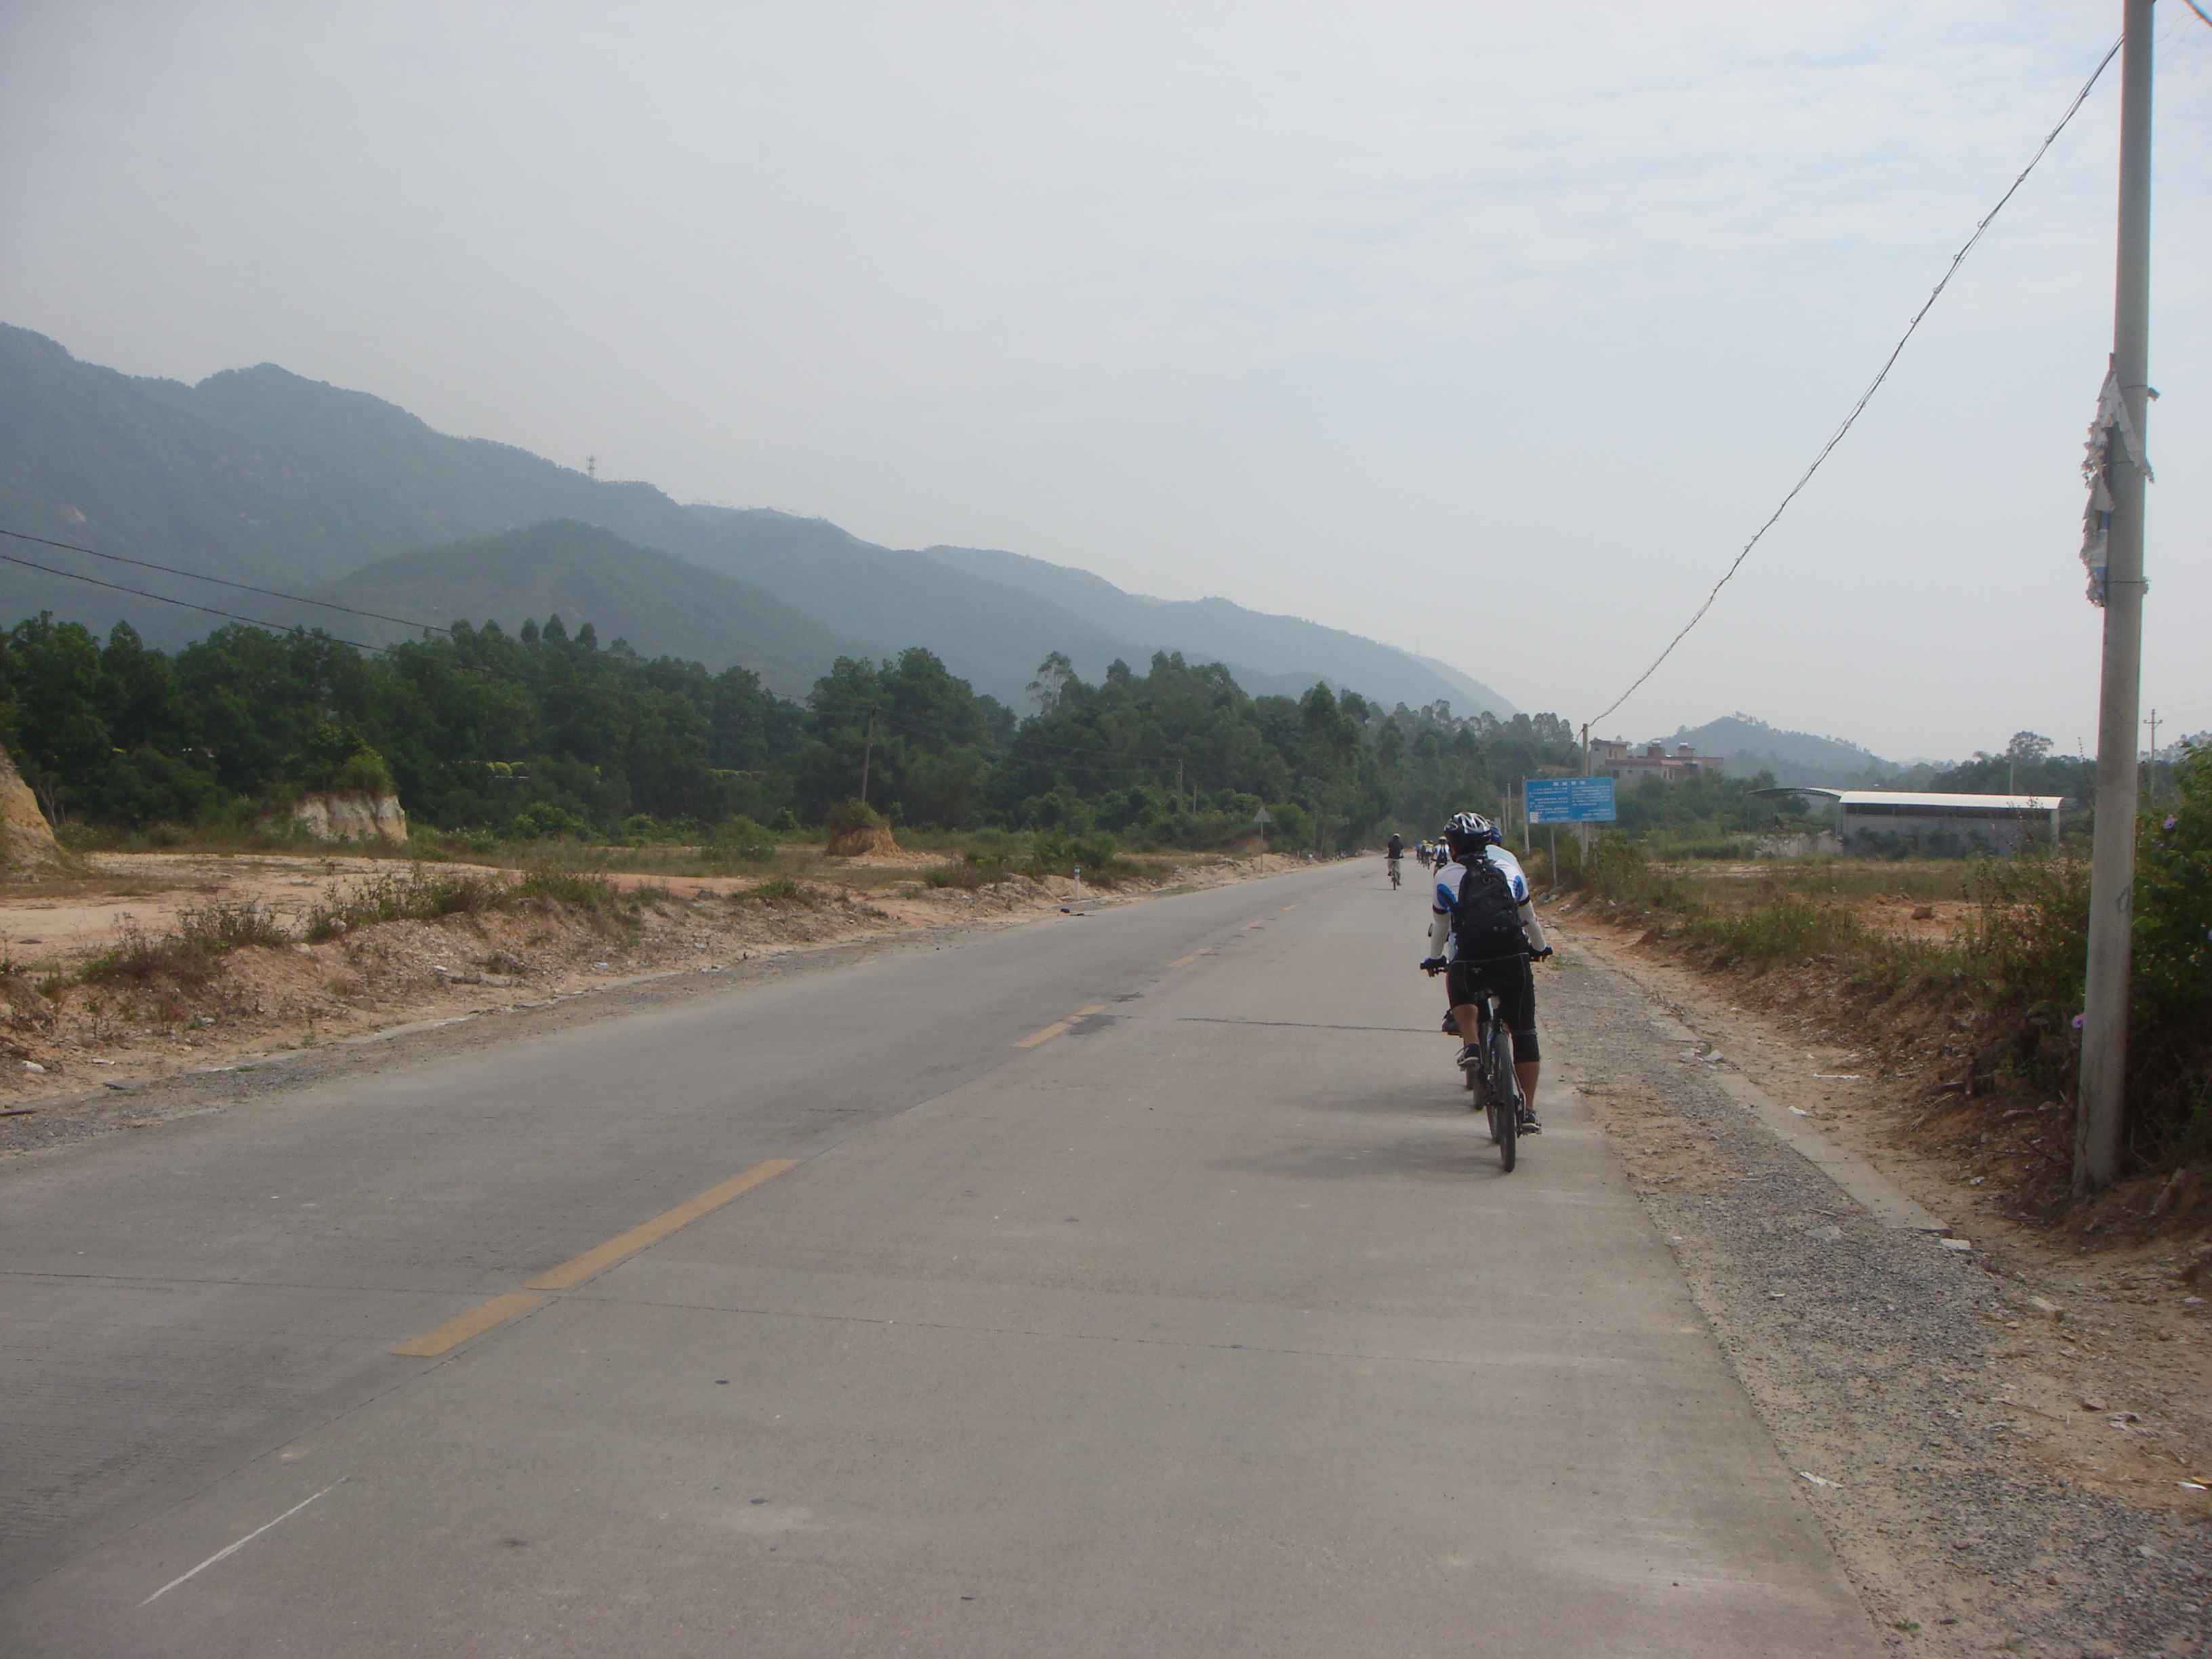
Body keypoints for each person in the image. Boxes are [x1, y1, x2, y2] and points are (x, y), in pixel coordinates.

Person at [1427, 810, 1553, 1132]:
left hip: (1470, 960)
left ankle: (1471, 1044)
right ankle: (1529, 1110)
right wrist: (1540, 948)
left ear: (1452, 847)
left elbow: (1441, 927)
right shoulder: (1510, 870)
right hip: (1512, 958)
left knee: (1458, 984)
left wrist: (1433, 958)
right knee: (1524, 1032)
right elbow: (1529, 919)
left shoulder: (1444, 876)